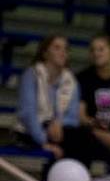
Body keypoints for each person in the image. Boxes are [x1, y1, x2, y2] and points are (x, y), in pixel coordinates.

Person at [14, 34, 94, 163]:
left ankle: (73, 179)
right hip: (31, 130)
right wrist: (43, 140)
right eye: (57, 48)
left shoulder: (71, 81)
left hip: (59, 130)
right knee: (73, 142)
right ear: (45, 53)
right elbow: (27, 114)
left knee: (84, 136)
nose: (63, 52)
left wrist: (57, 124)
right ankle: (56, 178)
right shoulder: (31, 75)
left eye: (66, 49)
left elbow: (73, 117)